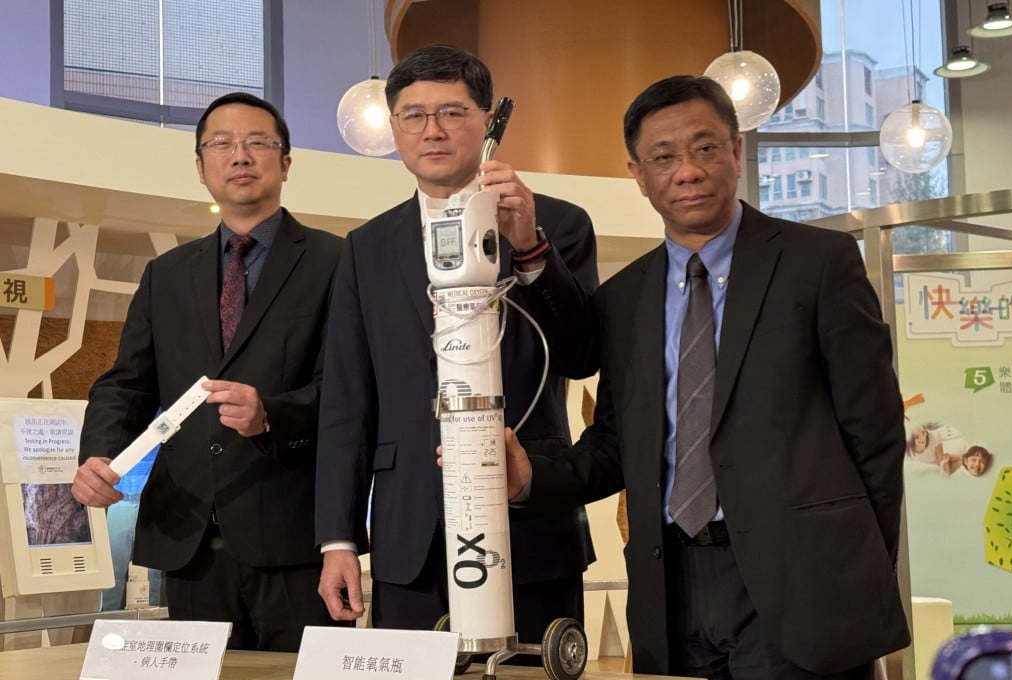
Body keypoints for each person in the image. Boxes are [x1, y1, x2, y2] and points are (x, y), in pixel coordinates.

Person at [497, 75, 911, 678]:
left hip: (802, 583)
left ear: (737, 152)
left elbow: (874, 433)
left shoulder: (817, 264)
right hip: (672, 587)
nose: (686, 171)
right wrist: (534, 476)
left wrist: (855, 570)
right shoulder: (624, 299)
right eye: (663, 157)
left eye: (705, 147)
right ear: (638, 175)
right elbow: (617, 445)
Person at [315, 44, 597, 653]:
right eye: (413, 115)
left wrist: (529, 250)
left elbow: (580, 356)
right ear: (393, 129)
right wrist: (338, 539)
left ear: (488, 119)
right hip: (409, 534)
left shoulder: (557, 222)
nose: (432, 130)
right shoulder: (367, 247)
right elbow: (346, 399)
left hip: (530, 526)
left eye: (452, 111)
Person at [71, 92, 345, 652]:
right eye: (221, 144)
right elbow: (127, 381)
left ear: (286, 162)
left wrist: (272, 414)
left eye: (256, 143)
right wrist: (99, 455)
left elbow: (349, 390)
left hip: (293, 537)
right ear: (201, 168)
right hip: (188, 537)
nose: (238, 155)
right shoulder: (165, 274)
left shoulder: (336, 261)